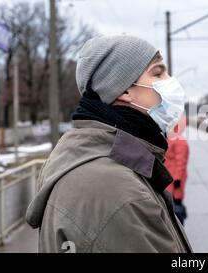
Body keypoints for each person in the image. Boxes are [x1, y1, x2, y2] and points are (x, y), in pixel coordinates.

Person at [26, 35, 192, 253]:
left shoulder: (107, 165)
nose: (170, 81)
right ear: (123, 90)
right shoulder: (115, 190)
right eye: (158, 72)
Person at [165, 116, 189, 225]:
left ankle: (179, 224)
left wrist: (178, 179)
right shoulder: (170, 138)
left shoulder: (179, 141)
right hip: (169, 177)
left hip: (175, 180)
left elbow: (181, 163)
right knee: (170, 204)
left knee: (176, 203)